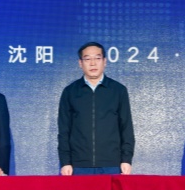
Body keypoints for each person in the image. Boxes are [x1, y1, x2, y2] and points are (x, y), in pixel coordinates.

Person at [58, 42, 135, 175]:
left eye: (97, 58)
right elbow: (64, 130)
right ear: (80, 63)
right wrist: (65, 162)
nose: (93, 63)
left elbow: (126, 128)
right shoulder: (70, 92)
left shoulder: (118, 90)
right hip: (78, 165)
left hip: (112, 164)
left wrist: (126, 159)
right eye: (87, 59)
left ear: (104, 61)